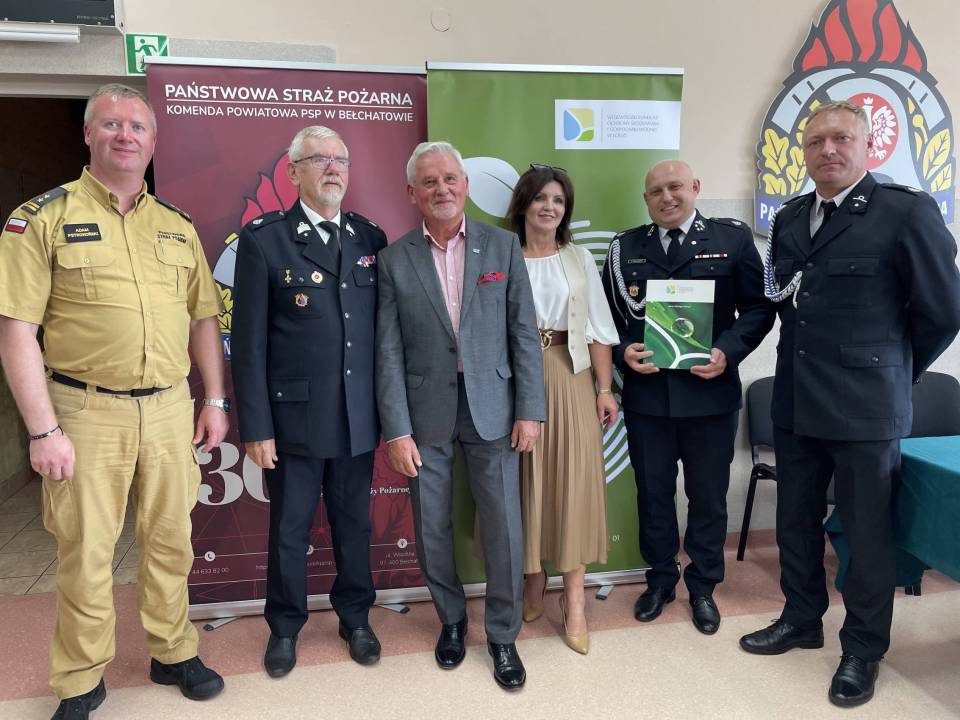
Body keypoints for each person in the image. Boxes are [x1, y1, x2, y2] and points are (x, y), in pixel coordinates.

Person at [0, 84, 228, 720]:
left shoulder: (176, 226)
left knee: (171, 541)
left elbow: (203, 319)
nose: (125, 135)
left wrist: (214, 398)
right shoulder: (40, 219)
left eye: (137, 126)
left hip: (168, 409)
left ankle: (173, 651)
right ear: (87, 134)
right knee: (86, 551)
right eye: (110, 124)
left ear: (154, 141)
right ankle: (80, 680)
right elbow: (16, 330)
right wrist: (43, 431)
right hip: (84, 411)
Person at [739, 100, 960, 707]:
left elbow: (943, 311)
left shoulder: (904, 212)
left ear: (867, 147)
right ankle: (801, 618)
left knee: (865, 533)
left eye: (841, 138)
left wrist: (894, 369)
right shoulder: (791, 218)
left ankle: (862, 648)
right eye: (815, 142)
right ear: (804, 153)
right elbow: (786, 303)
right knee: (795, 520)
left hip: (866, 406)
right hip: (797, 398)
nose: (828, 150)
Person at [375, 141, 545, 690]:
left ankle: (502, 634)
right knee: (431, 527)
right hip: (424, 416)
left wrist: (530, 410)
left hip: (495, 409)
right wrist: (397, 429)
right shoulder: (393, 260)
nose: (442, 189)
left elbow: (523, 333)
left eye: (450, 178)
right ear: (412, 192)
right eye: (429, 181)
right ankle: (451, 620)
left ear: (466, 186)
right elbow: (388, 352)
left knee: (503, 527)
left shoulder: (502, 247)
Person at [231, 126, 386, 677]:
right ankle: (285, 627)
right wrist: (256, 426)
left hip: (356, 416)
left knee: (353, 526)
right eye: (319, 159)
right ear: (294, 171)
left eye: (341, 159)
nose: (333, 168)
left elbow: (382, 336)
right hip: (293, 419)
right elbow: (248, 344)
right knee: (290, 531)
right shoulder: (265, 240)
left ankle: (356, 618)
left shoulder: (369, 238)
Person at [601, 160, 772, 635]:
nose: (666, 197)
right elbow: (604, 319)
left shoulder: (731, 239)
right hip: (648, 399)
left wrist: (728, 351)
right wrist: (622, 352)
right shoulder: (624, 248)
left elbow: (759, 309)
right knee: (653, 495)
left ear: (695, 187)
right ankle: (660, 580)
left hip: (710, 397)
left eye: (675, 187)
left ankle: (703, 586)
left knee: (708, 497)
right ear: (646, 199)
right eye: (655, 191)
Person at [505, 165, 619, 655]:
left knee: (573, 486)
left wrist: (604, 389)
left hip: (569, 374)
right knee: (524, 484)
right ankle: (533, 580)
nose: (549, 207)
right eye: (541, 198)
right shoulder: (501, 254)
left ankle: (574, 602)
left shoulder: (579, 257)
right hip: (512, 380)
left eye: (558, 200)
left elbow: (597, 327)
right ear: (523, 205)